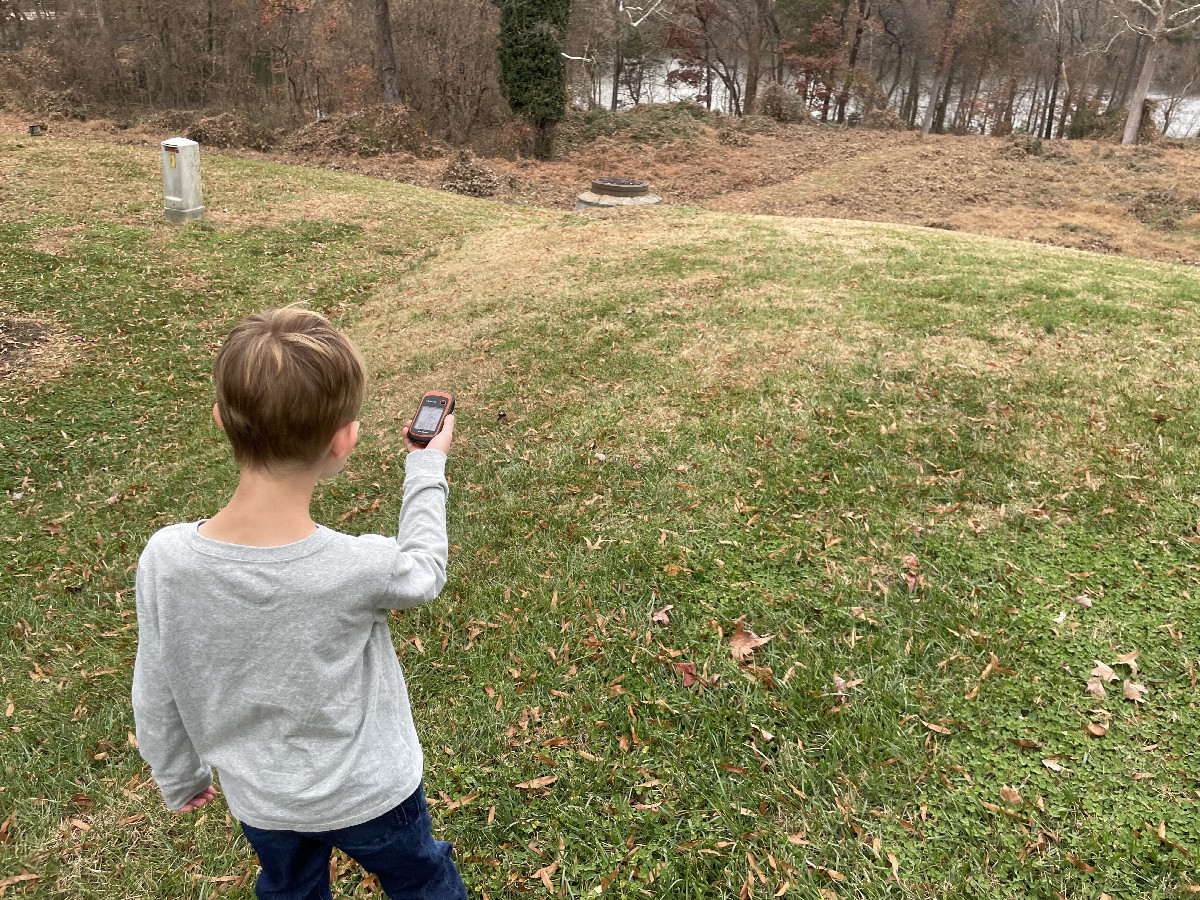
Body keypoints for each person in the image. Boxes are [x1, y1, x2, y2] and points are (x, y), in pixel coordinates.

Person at [131, 306, 466, 900]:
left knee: (289, 889)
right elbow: (425, 570)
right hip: (374, 792)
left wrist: (177, 774)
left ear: (220, 420)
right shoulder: (357, 564)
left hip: (265, 800)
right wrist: (426, 461)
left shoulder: (166, 558)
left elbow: (156, 682)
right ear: (345, 439)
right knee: (422, 880)